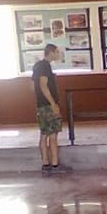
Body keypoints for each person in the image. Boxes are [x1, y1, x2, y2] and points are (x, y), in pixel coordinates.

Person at [32, 43, 70, 175]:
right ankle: (55, 165)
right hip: (48, 106)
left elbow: (34, 86)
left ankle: (46, 164)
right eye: (57, 52)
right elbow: (43, 86)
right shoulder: (45, 66)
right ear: (51, 52)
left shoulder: (37, 66)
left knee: (44, 135)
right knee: (53, 135)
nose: (58, 54)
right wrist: (53, 104)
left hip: (41, 105)